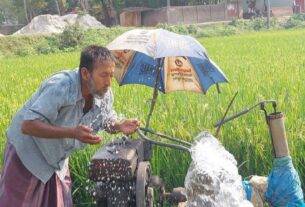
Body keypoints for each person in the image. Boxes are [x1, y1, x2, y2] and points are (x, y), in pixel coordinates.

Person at [0, 45, 140, 206]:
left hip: (56, 159)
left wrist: (119, 125)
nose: (109, 82)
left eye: (111, 75)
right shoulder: (61, 86)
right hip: (28, 154)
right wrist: (73, 132)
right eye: (103, 75)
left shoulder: (104, 93)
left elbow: (106, 119)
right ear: (85, 73)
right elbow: (28, 125)